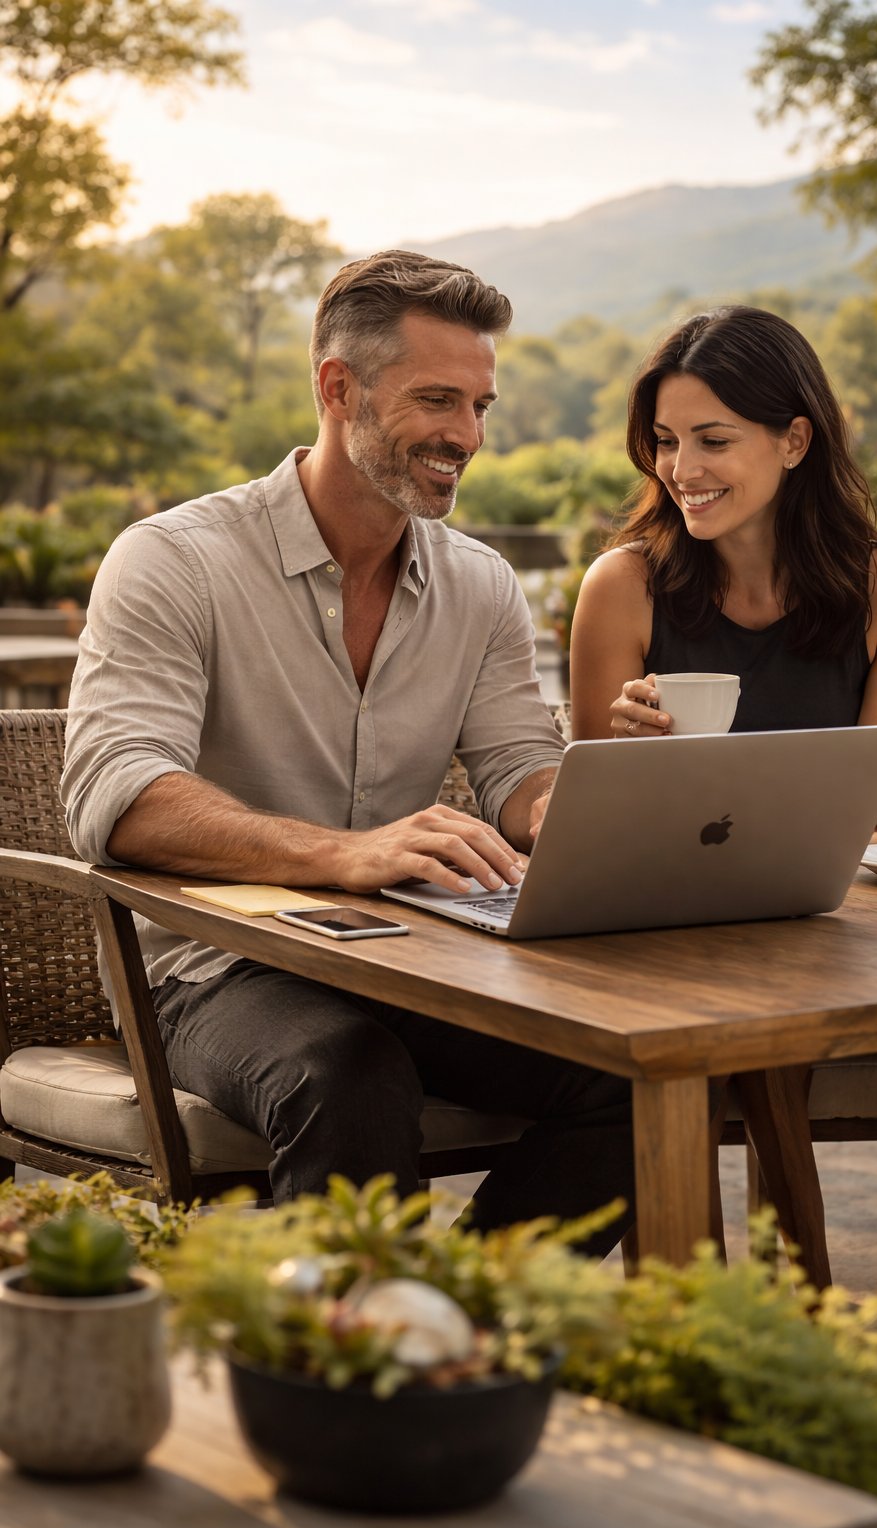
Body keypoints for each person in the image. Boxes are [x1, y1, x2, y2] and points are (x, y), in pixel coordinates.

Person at [61, 250, 633, 1252]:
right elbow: (122, 799)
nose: (467, 435)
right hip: (212, 972)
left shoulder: (482, 586)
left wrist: (562, 811)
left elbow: (517, 766)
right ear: (338, 389)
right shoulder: (173, 561)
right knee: (350, 1073)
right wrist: (341, 853)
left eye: (482, 405)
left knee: (641, 1065)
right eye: (438, 400)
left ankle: (462, 1332)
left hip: (409, 960)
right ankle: (349, 1380)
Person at [570, 304, 877, 771]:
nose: (682, 471)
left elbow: (873, 812)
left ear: (794, 442)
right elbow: (597, 816)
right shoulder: (620, 586)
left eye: (715, 441)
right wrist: (624, 749)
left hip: (830, 848)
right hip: (658, 846)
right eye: (667, 441)